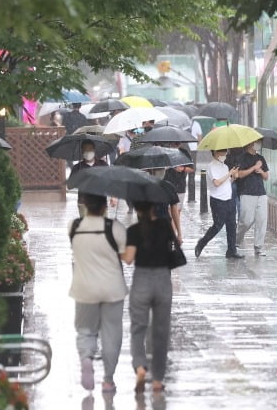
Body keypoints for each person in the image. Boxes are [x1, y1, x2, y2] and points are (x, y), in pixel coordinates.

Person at [68, 194, 127, 393]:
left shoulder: (74, 226)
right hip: (112, 289)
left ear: (84, 206)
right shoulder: (115, 228)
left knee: (85, 329)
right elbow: (125, 256)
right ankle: (108, 380)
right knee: (111, 334)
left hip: (84, 288)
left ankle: (86, 358)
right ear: (104, 207)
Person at [121, 201, 176, 394]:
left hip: (142, 280)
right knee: (161, 331)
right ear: (154, 208)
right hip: (162, 280)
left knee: (138, 328)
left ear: (137, 209)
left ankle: (140, 367)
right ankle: (158, 380)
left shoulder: (134, 230)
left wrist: (118, 247)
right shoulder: (165, 226)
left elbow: (128, 259)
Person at [194, 149, 243, 259]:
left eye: (225, 152)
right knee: (217, 225)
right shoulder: (211, 166)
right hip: (217, 200)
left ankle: (231, 250)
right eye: (222, 152)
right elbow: (216, 183)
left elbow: (226, 182)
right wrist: (229, 174)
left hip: (229, 198)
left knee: (231, 225)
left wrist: (233, 177)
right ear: (215, 152)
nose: (225, 154)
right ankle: (201, 243)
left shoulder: (225, 166)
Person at [235, 140, 269, 256]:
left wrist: (261, 171)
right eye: (256, 142)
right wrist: (254, 167)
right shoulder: (242, 158)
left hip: (261, 193)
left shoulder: (261, 158)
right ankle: (237, 240)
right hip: (247, 193)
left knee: (262, 220)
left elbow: (266, 177)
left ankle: (258, 247)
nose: (258, 144)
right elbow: (239, 174)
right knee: (246, 220)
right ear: (250, 143)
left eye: (260, 142)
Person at [69, 140, 108, 217]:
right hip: (84, 203)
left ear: (94, 150)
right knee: (87, 227)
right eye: (85, 149)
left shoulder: (103, 165)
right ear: (82, 151)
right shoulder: (77, 168)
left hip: (101, 203)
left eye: (90, 149)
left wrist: (114, 197)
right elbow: (69, 186)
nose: (87, 151)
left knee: (103, 227)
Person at [163, 144, 194, 216]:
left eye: (177, 143)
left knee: (177, 211)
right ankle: (172, 227)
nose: (175, 144)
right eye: (173, 143)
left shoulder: (184, 152)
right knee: (169, 210)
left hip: (180, 186)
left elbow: (191, 169)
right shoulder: (165, 152)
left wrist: (182, 168)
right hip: (167, 185)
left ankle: (175, 226)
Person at [63, 102, 89, 167]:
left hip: (70, 138)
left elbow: (64, 126)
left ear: (72, 105)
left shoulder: (67, 115)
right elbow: (85, 128)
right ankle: (80, 169)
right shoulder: (83, 117)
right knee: (81, 155)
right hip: (80, 138)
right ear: (80, 107)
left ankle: (72, 168)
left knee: (68, 156)